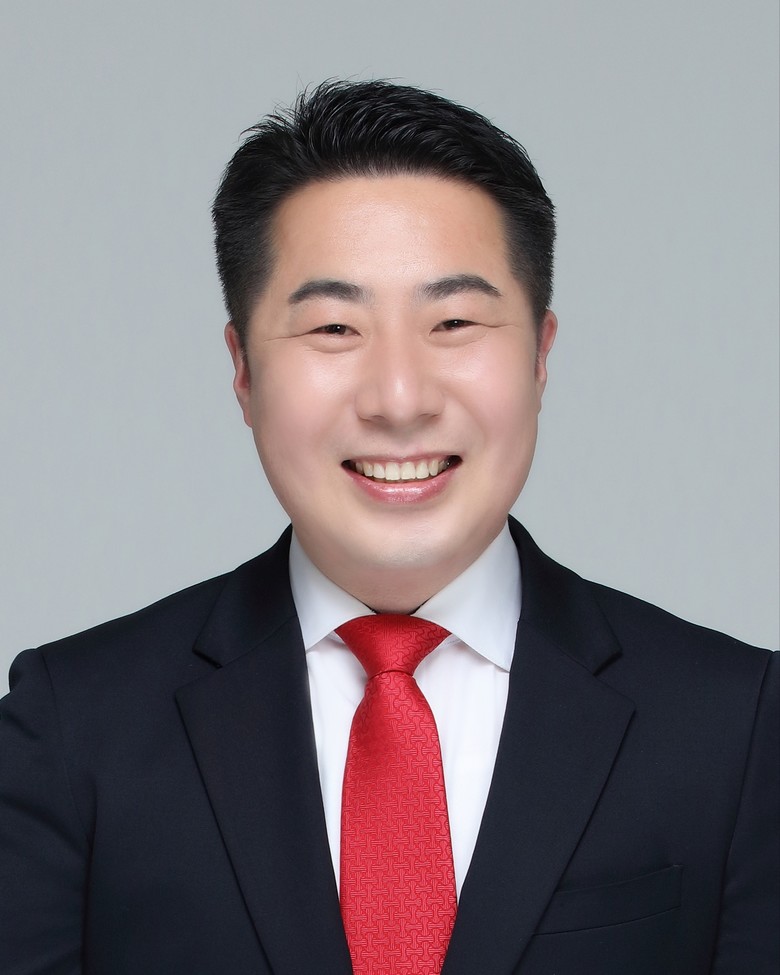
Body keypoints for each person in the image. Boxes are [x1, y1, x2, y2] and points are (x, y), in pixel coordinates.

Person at [1, 80, 777, 975]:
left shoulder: (736, 728)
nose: (399, 399)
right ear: (243, 371)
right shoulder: (73, 728)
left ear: (540, 354)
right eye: (335, 327)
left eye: (454, 321)